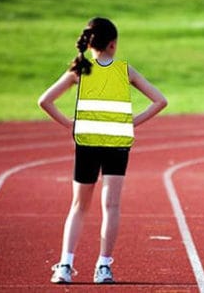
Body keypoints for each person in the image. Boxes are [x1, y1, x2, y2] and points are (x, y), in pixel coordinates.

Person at [38, 17, 167, 284]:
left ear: (91, 43)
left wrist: (69, 124)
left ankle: (64, 265)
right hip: (117, 145)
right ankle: (103, 267)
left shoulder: (80, 70)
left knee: (78, 207)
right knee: (112, 207)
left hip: (87, 144)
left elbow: (45, 101)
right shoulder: (125, 70)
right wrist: (132, 122)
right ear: (113, 44)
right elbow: (160, 100)